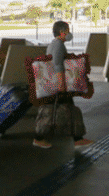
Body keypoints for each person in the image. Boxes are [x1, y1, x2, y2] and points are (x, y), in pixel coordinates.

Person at [33, 21, 93, 149]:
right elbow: (58, 65)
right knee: (52, 110)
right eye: (67, 30)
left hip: (54, 83)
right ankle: (39, 138)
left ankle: (77, 139)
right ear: (62, 32)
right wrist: (62, 85)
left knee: (66, 109)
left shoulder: (54, 44)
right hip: (58, 83)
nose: (69, 33)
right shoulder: (58, 45)